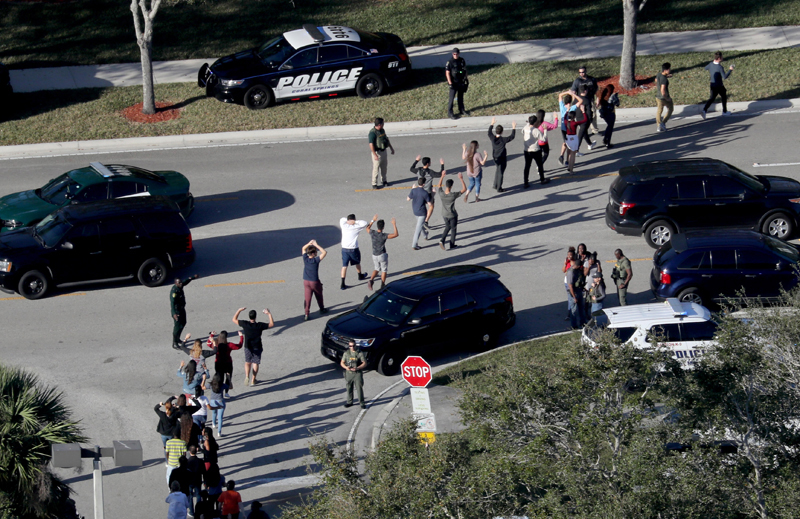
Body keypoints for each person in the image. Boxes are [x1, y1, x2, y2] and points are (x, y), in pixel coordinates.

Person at [233, 307, 274, 386]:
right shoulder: (259, 325)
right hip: (257, 346)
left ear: (249, 316)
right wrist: (269, 314)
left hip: (248, 346)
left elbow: (234, 319)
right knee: (255, 363)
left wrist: (239, 310)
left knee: (247, 362)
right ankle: (253, 379)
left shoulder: (245, 324)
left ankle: (247, 376)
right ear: (255, 317)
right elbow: (271, 324)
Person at [366, 215, 399, 291]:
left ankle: (371, 280)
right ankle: (382, 284)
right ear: (383, 227)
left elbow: (367, 228)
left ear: (377, 226)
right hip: (382, 254)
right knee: (384, 270)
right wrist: (394, 225)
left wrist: (372, 220)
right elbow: (395, 234)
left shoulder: (372, 233)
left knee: (376, 268)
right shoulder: (384, 235)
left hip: (374, 254)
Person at [436, 170, 467, 250]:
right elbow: (464, 189)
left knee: (447, 226)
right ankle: (452, 244)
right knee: (453, 229)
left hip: (444, 214)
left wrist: (442, 176)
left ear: (446, 185)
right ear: (451, 186)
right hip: (452, 215)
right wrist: (461, 179)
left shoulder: (441, 193)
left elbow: (439, 186)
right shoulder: (453, 195)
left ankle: (442, 240)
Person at [339, 214, 370, 290]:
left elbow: (341, 219)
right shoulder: (356, 227)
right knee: (357, 262)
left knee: (344, 266)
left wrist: (348, 221)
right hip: (353, 249)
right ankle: (360, 275)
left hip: (344, 249)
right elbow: (365, 223)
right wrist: (355, 222)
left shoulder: (344, 225)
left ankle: (342, 283)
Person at [208, 330, 242, 397]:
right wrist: (241, 336)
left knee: (219, 378)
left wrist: (211, 335)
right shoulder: (229, 345)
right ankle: (226, 392)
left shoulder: (216, 344)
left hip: (218, 363)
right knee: (228, 377)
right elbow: (239, 346)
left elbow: (208, 343)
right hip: (228, 363)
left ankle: (219, 392)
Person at [301, 239, 328, 321]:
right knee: (319, 295)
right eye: (316, 252)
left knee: (307, 298)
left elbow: (303, 248)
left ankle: (306, 314)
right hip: (314, 282)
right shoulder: (315, 260)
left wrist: (309, 243)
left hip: (306, 281)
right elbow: (324, 252)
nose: (317, 253)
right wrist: (316, 245)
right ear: (313, 253)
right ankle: (322, 309)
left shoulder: (305, 259)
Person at [701, 51, 734, 119]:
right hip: (719, 85)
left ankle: (704, 110)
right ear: (719, 58)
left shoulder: (710, 64)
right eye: (721, 57)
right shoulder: (720, 67)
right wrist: (730, 70)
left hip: (712, 85)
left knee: (712, 98)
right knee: (724, 96)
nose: (722, 58)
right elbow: (724, 77)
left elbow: (705, 68)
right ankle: (724, 112)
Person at [171, 274, 199, 350]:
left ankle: (178, 338)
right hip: (177, 312)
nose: (181, 283)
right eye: (179, 283)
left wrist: (193, 277)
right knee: (177, 327)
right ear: (175, 283)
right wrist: (174, 314)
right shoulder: (174, 292)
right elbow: (172, 304)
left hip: (181, 309)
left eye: (180, 282)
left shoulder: (180, 286)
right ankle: (174, 343)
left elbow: (185, 282)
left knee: (183, 323)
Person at [488, 117, 516, 192]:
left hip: (495, 157)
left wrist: (492, 124)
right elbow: (511, 137)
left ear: (496, 131)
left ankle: (495, 184)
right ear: (502, 132)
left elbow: (489, 132)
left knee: (497, 169)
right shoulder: (503, 140)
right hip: (502, 158)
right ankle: (499, 188)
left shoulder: (492, 138)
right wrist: (513, 128)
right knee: (501, 172)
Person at [569, 65, 599, 135]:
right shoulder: (577, 81)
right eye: (580, 72)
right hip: (581, 101)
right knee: (581, 116)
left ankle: (594, 130)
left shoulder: (592, 79)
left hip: (590, 99)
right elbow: (573, 92)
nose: (581, 73)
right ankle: (582, 131)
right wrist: (575, 103)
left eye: (583, 72)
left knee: (593, 115)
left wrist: (597, 99)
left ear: (586, 71)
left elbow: (596, 90)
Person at [407, 178, 433, 250]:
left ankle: (425, 235)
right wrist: (433, 194)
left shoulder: (413, 190)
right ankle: (414, 245)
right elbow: (430, 204)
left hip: (415, 211)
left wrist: (412, 189)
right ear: (424, 184)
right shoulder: (425, 193)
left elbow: (408, 199)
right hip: (422, 212)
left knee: (420, 225)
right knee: (418, 229)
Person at [368, 117, 395, 189]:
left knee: (384, 168)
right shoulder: (372, 133)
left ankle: (384, 181)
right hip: (377, 153)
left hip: (383, 151)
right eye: (383, 123)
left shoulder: (382, 130)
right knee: (376, 169)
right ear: (379, 124)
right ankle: (374, 183)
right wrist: (375, 154)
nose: (383, 125)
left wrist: (391, 148)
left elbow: (386, 139)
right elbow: (371, 144)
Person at [341, 341, 367, 409]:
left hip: (357, 373)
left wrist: (357, 368)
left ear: (355, 345)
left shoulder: (359, 353)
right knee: (349, 388)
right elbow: (342, 362)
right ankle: (349, 402)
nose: (352, 347)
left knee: (359, 388)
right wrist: (346, 367)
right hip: (349, 373)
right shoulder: (347, 353)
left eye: (353, 346)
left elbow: (364, 363)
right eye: (350, 346)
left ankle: (362, 402)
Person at [557, 92, 582, 165]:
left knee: (565, 142)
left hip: (563, 128)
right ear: (570, 101)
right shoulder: (572, 108)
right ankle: (567, 160)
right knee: (569, 145)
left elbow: (560, 95)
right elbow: (580, 101)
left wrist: (567, 92)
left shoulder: (562, 106)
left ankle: (561, 155)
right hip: (570, 129)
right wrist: (574, 95)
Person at [445, 47, 468, 119]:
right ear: (452, 54)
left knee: (460, 97)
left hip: (461, 81)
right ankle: (450, 112)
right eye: (454, 54)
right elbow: (447, 73)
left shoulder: (461, 60)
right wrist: (450, 83)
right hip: (454, 82)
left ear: (459, 53)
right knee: (451, 98)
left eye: (456, 54)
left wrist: (465, 78)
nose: (455, 55)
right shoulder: (450, 62)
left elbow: (464, 70)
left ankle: (461, 109)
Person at [564, 107, 588, 174]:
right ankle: (571, 169)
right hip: (574, 138)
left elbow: (564, 117)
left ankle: (568, 166)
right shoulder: (575, 123)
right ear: (574, 117)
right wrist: (583, 112)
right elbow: (585, 120)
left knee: (568, 152)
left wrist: (567, 111)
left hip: (568, 138)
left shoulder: (566, 122)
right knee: (573, 154)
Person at [535, 109, 559, 174]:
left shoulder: (535, 123)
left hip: (537, 142)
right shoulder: (544, 123)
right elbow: (555, 126)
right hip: (544, 142)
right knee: (545, 154)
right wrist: (556, 118)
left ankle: (540, 168)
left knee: (539, 156)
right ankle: (539, 166)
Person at [565, 258, 586, 329]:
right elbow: (570, 286)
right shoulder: (571, 272)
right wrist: (574, 297)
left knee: (581, 308)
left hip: (579, 290)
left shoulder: (577, 270)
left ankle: (582, 323)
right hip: (573, 292)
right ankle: (574, 325)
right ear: (577, 265)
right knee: (573, 310)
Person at [186, 445, 205, 514]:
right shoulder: (200, 461)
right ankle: (198, 510)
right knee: (198, 495)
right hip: (198, 480)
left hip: (190, 481)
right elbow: (204, 472)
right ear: (196, 451)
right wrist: (205, 481)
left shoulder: (187, 462)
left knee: (190, 496)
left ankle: (191, 511)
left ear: (190, 452)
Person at [656, 62, 673, 132]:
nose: (670, 70)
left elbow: (656, 80)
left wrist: (667, 76)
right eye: (669, 69)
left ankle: (659, 126)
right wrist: (667, 98)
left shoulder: (659, 74)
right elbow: (663, 90)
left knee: (659, 111)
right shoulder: (664, 80)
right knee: (671, 109)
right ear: (666, 70)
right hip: (664, 97)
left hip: (658, 97)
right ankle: (663, 123)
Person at [562, 246, 576, 321]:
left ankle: (571, 313)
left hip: (571, 282)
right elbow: (563, 271)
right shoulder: (567, 262)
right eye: (568, 255)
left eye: (570, 255)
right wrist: (565, 263)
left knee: (572, 297)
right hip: (566, 281)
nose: (569, 256)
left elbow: (571, 271)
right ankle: (570, 312)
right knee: (569, 297)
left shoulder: (573, 262)